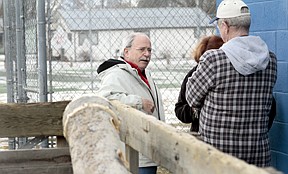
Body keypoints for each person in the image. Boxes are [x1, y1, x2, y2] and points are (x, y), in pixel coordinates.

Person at [186, 0, 277, 167]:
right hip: (258, 155)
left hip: (219, 157)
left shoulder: (213, 59)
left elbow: (191, 98)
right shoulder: (270, 59)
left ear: (225, 26)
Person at [96, 32, 165, 174]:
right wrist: (138, 102)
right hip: (133, 152)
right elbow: (106, 99)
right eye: (142, 49)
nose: (147, 54)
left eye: (149, 50)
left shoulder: (143, 73)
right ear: (126, 52)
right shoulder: (116, 74)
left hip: (147, 149)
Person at [175, 35, 224, 134]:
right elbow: (179, 109)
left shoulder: (227, 71)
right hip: (200, 132)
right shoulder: (193, 74)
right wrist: (195, 110)